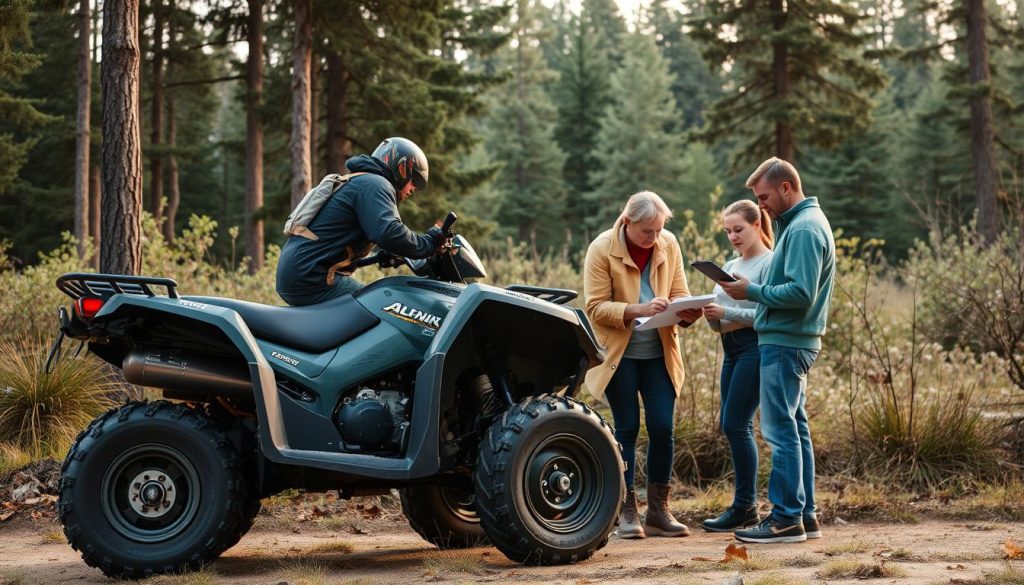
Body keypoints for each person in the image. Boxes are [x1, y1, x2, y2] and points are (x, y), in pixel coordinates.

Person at [717, 157, 835, 544]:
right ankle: (806, 515)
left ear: (786, 187)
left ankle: (785, 519)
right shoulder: (799, 224)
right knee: (795, 429)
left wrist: (749, 291)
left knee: (780, 431)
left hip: (785, 341)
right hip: (791, 340)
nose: (761, 205)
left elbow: (801, 294)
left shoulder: (802, 229)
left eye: (764, 197)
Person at [583, 191, 703, 540]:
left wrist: (685, 310)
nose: (654, 238)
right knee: (627, 429)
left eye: (659, 230)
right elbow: (594, 307)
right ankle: (626, 510)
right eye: (647, 231)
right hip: (619, 355)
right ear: (627, 222)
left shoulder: (668, 243)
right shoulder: (601, 248)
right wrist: (637, 309)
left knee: (663, 428)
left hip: (659, 353)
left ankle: (659, 511)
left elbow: (679, 291)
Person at [276, 137, 443, 306]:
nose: (414, 188)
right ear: (401, 168)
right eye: (415, 179)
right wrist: (429, 243)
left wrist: (379, 257)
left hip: (300, 273)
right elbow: (388, 233)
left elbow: (334, 246)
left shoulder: (361, 181)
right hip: (310, 278)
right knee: (385, 306)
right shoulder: (376, 184)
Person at [699, 199, 774, 534]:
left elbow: (767, 315)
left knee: (737, 423)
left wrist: (726, 313)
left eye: (739, 229)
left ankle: (746, 508)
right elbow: (721, 317)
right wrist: (710, 314)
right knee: (730, 424)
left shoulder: (769, 263)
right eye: (728, 231)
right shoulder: (730, 263)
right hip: (730, 348)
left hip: (753, 349)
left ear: (757, 225)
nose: (733, 236)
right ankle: (744, 506)